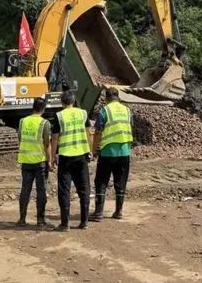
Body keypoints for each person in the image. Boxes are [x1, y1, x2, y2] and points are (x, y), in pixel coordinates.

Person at [51, 90, 91, 231]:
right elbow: (87, 132)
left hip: (66, 158)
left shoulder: (59, 116)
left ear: (62, 102)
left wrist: (53, 156)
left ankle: (65, 224)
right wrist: (89, 150)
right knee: (84, 189)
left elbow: (55, 137)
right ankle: (84, 222)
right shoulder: (83, 113)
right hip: (81, 156)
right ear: (73, 101)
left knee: (64, 190)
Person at [91, 88, 133, 221]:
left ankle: (98, 213)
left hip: (108, 151)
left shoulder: (105, 111)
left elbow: (98, 131)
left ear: (106, 98)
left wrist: (94, 149)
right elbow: (130, 126)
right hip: (124, 151)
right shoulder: (127, 111)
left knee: (101, 181)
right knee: (120, 181)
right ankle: (119, 211)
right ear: (118, 97)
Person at [17, 97, 52, 227]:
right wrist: (50, 161)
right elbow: (47, 144)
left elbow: (20, 138)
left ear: (33, 107)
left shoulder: (22, 121)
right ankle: (40, 220)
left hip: (26, 161)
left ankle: (22, 218)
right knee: (41, 191)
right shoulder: (44, 123)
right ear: (43, 109)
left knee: (25, 190)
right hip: (40, 162)